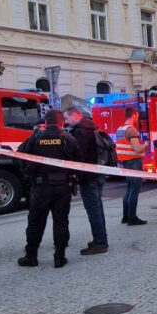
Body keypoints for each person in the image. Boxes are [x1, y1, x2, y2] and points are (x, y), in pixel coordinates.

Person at [18, 109, 80, 268]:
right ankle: (60, 256)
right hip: (62, 187)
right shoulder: (68, 138)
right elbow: (79, 161)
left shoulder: (36, 137)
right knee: (61, 222)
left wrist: (29, 172)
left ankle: (31, 256)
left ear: (45, 122)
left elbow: (20, 157)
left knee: (35, 222)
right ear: (62, 122)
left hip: (40, 187)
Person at [64, 105, 109, 254]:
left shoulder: (80, 131)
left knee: (93, 210)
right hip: (99, 173)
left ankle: (100, 242)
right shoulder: (92, 126)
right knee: (98, 208)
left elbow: (79, 155)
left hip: (88, 176)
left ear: (75, 115)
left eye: (67, 118)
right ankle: (101, 238)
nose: (65, 121)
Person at [115, 107, 147, 226]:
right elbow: (137, 149)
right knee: (134, 189)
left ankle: (126, 216)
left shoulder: (120, 129)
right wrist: (146, 145)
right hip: (134, 162)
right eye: (137, 116)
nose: (137, 118)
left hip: (125, 163)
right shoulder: (131, 130)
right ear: (134, 115)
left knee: (129, 188)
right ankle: (132, 218)